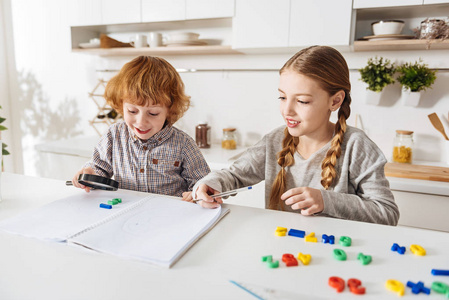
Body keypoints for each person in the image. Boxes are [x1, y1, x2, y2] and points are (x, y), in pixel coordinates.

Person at [193, 46, 399, 225]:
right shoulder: (274, 141)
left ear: (335, 101)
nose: (287, 110)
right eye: (282, 97)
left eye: (302, 101)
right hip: (283, 250)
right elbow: (235, 175)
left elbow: (387, 213)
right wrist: (211, 184)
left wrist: (326, 201)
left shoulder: (356, 146)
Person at [72, 56, 210, 200]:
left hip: (168, 214)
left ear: (169, 110)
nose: (141, 122)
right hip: (126, 211)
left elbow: (203, 182)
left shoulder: (183, 144)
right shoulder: (114, 135)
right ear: (121, 105)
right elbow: (99, 168)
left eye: (153, 113)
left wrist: (196, 193)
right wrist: (89, 175)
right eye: (132, 111)